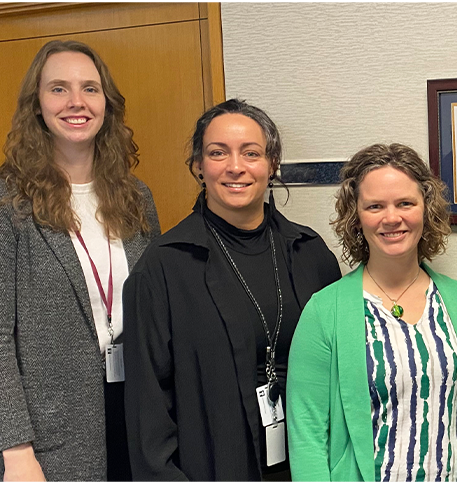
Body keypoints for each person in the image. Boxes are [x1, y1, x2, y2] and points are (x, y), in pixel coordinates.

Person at [0, 40, 158, 481]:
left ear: (106, 103)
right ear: (37, 104)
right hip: (48, 439)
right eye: (58, 89)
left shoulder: (135, 198)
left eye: (90, 88)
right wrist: (16, 450)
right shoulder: (0, 202)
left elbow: (152, 310)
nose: (76, 102)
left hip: (136, 418)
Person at [122, 99, 341, 481]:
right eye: (217, 153)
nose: (235, 167)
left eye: (251, 153)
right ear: (198, 166)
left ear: (272, 164)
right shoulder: (162, 267)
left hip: (308, 465)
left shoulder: (311, 254)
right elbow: (148, 411)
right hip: (214, 467)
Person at [287, 143, 457, 481]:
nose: (392, 218)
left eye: (405, 203)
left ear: (426, 209)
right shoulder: (324, 312)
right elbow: (307, 433)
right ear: (356, 217)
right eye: (375, 206)